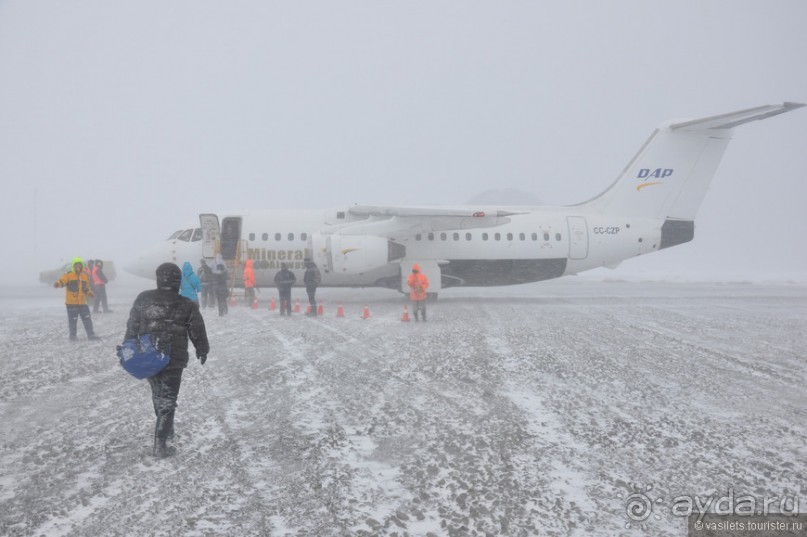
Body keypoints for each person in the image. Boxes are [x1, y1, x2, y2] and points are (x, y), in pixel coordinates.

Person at [123, 262, 209, 458]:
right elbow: (197, 330)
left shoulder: (143, 299)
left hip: (149, 356)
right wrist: (202, 350)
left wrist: (129, 347)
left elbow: (132, 326)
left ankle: (166, 429)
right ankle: (161, 443)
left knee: (158, 394)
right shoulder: (187, 304)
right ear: (178, 281)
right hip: (173, 358)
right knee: (168, 399)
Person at [53, 257, 99, 340]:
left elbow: (86, 288)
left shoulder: (85, 276)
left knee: (87, 319)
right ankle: (73, 336)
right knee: (72, 321)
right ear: (73, 266)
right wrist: (57, 284)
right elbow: (62, 281)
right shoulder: (68, 275)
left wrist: (89, 292)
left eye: (80, 265)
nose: (78, 267)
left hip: (82, 303)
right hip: (71, 304)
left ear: (82, 266)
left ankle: (91, 335)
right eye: (76, 265)